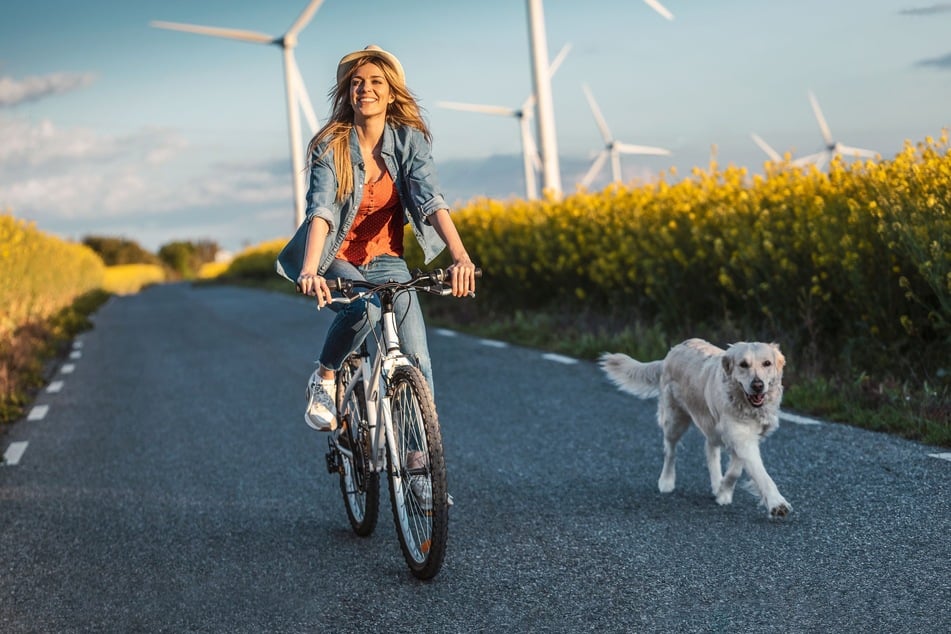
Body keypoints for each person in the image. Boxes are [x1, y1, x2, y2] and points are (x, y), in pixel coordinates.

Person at [276, 44, 477, 434]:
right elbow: (321, 210)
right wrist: (309, 269)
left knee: (416, 358)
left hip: (385, 257)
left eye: (374, 82)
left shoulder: (409, 141)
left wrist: (461, 257)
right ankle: (325, 377)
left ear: (390, 92)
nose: (364, 89)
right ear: (348, 93)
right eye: (356, 83)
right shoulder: (330, 144)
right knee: (366, 308)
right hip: (334, 256)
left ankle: (419, 463)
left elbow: (430, 199)